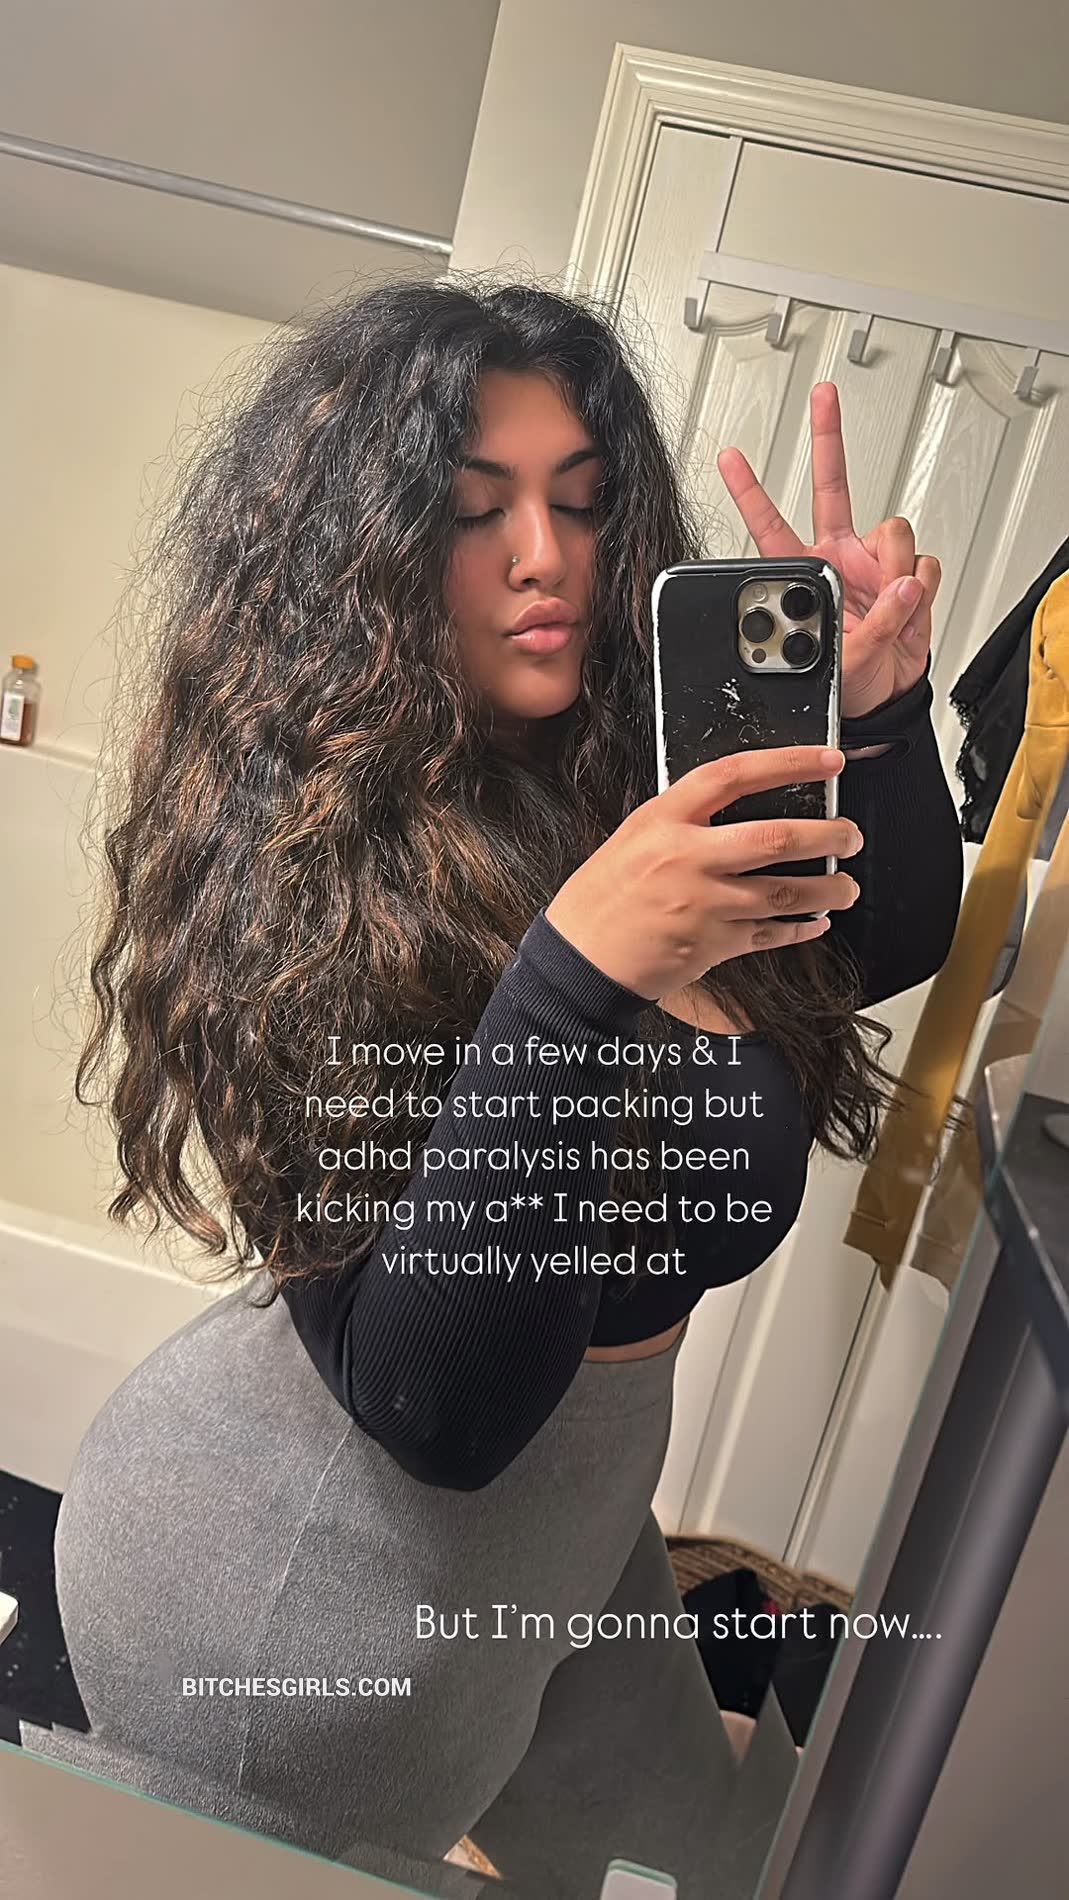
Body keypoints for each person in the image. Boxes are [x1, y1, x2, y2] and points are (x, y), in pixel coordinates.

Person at [22, 279, 963, 1897]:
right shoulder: (316, 884)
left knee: (721, 1856)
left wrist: (872, 729)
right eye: (475, 512)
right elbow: (441, 1411)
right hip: (307, 1593)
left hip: (573, 1528)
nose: (546, 557)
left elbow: (857, 951)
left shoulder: (615, 789)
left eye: (582, 502)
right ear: (365, 556)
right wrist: (574, 978)